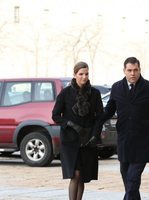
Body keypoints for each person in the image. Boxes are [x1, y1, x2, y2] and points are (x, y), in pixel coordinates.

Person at [96, 57, 149, 200]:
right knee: (128, 182)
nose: (132, 73)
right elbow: (109, 110)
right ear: (124, 71)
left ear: (140, 70)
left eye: (135, 70)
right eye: (129, 70)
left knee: (132, 179)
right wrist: (96, 121)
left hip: (143, 141)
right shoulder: (117, 87)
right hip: (124, 141)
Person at [52, 61, 103, 200]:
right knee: (76, 175)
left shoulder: (95, 93)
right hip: (70, 141)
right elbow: (55, 115)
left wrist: (95, 135)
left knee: (83, 176)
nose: (84, 77)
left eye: (86, 74)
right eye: (81, 74)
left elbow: (100, 117)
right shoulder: (65, 93)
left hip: (87, 139)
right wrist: (69, 124)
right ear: (74, 75)